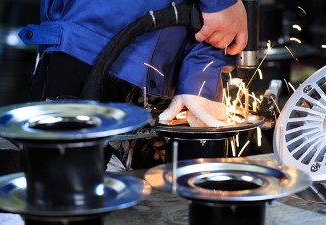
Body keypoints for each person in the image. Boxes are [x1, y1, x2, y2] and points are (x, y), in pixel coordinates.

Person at [18, 0, 248, 169]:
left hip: (164, 73)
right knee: (62, 196)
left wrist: (199, 77)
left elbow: (215, 22)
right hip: (90, 51)